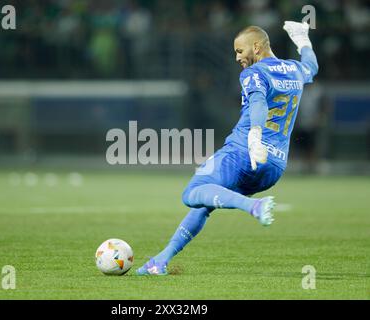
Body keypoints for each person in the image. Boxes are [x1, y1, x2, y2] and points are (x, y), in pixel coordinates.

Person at [136, 21, 319, 276]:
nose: (237, 58)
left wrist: (254, 136)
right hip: (273, 167)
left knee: (192, 193)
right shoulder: (294, 69)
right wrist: (302, 40)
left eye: (240, 51)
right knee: (205, 202)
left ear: (256, 46)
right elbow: (313, 66)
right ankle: (161, 260)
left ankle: (253, 207)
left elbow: (258, 103)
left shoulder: (254, 73)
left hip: (241, 152)